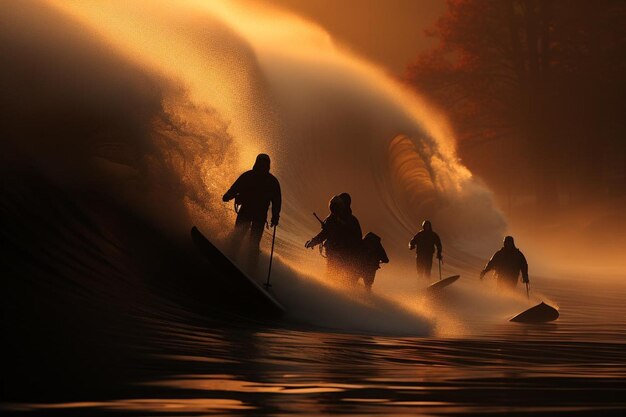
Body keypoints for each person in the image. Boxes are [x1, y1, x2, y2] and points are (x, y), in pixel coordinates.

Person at [222, 153, 281, 271]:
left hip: (260, 216)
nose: (262, 166)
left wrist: (275, 216)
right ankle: (230, 257)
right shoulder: (248, 176)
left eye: (265, 164)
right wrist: (228, 195)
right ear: (256, 163)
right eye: (261, 163)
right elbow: (236, 187)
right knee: (237, 236)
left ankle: (251, 269)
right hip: (246, 211)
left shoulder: (272, 182)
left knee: (254, 244)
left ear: (268, 165)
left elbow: (277, 201)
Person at [305, 193, 362, 284]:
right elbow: (325, 233)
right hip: (334, 253)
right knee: (331, 275)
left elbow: (357, 240)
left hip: (346, 255)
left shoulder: (352, 221)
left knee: (345, 279)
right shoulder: (332, 218)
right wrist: (313, 241)